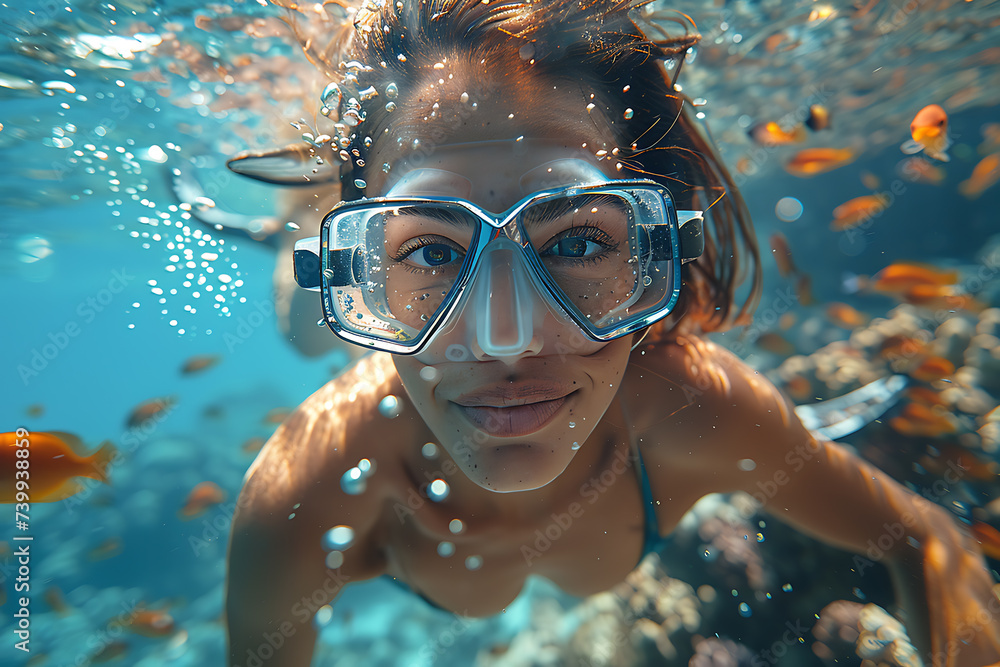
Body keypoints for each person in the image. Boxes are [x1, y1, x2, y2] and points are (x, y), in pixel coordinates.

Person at [226, 1, 1000, 665]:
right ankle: (304, 226)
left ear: (655, 248)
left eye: (577, 241)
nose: (505, 341)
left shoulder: (700, 407)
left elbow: (924, 539)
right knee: (304, 324)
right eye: (429, 250)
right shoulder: (307, 484)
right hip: (327, 291)